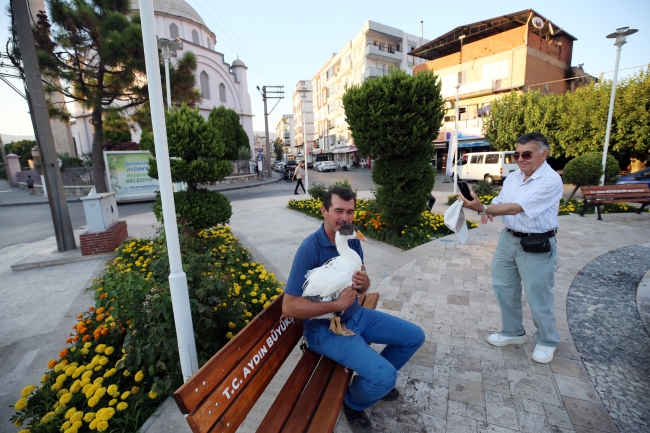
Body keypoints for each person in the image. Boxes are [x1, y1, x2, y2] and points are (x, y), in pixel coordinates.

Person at [282, 187, 425, 433]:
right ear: (324, 211)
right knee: (385, 377)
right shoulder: (310, 249)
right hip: (323, 329)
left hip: (355, 315)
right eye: (338, 210)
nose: (345, 218)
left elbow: (359, 288)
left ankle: (370, 383)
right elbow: (289, 307)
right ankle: (353, 402)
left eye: (350, 212)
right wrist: (336, 306)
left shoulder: (350, 240)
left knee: (414, 337)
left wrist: (365, 285)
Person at [459, 132, 562, 364]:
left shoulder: (550, 180)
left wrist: (483, 208)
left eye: (527, 154)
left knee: (538, 296)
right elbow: (502, 200)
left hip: (536, 243)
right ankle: (513, 332)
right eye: (517, 154)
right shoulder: (514, 177)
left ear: (543, 154)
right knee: (504, 288)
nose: (521, 159)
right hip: (509, 239)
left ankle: (547, 341)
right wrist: (489, 208)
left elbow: (516, 208)